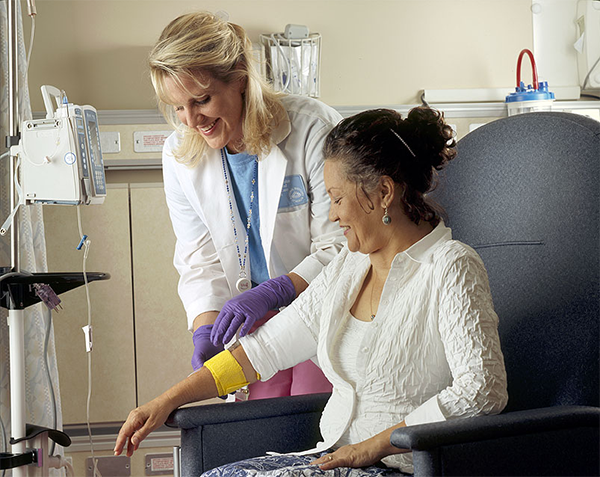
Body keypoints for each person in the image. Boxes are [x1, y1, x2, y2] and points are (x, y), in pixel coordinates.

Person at [115, 107, 508, 475]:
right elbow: (265, 349)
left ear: (384, 192)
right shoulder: (350, 266)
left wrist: (376, 446)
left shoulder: (451, 266)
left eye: (337, 198)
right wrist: (167, 399)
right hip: (332, 458)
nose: (333, 214)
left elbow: (484, 389)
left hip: (401, 466)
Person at [149, 11, 345, 398]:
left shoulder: (312, 129)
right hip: (253, 325)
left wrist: (273, 292)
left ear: (239, 77)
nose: (191, 120)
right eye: (178, 107)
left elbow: (341, 247)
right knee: (262, 427)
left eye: (202, 100)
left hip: (323, 308)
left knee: (314, 417)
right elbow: (198, 256)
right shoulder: (179, 156)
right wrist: (205, 327)